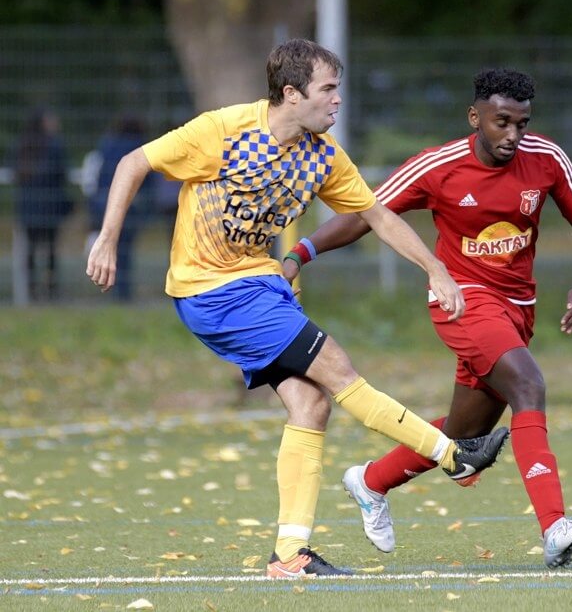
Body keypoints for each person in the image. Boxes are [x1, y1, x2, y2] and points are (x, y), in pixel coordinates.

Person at [86, 39, 509, 578]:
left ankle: (289, 555)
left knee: (312, 404)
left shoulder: (324, 156)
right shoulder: (223, 131)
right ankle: (454, 456)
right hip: (211, 292)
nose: (338, 102)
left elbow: (378, 217)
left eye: (339, 90)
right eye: (328, 90)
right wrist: (106, 239)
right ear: (291, 93)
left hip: (258, 286)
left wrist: (435, 268)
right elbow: (131, 163)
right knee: (340, 371)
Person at [283, 68, 572, 569]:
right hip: (461, 300)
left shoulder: (546, 158)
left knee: (465, 436)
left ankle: (371, 481)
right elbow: (366, 213)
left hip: (517, 309)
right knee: (529, 385)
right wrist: (301, 251)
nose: (513, 136)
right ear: (475, 117)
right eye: (502, 123)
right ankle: (555, 526)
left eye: (522, 124)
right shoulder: (438, 166)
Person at [88, 115, 155, 301]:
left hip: (104, 202)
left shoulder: (107, 144)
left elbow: (99, 173)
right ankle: (123, 291)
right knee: (124, 249)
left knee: (109, 245)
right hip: (131, 206)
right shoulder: (139, 145)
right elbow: (148, 179)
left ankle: (111, 287)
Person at [11, 107, 73, 301]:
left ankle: (31, 290)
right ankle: (52, 290)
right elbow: (62, 173)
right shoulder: (54, 145)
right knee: (51, 251)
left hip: (28, 207)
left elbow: (14, 172)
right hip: (50, 207)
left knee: (30, 250)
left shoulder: (21, 145)